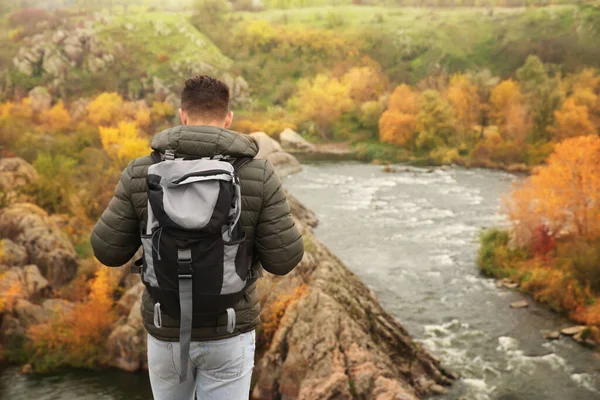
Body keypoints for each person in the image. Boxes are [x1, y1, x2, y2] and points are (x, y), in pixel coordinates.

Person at [90, 75, 304, 400]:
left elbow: (107, 251)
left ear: (183, 115)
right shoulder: (259, 175)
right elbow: (284, 259)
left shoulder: (140, 173)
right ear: (228, 119)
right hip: (229, 328)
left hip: (166, 328)